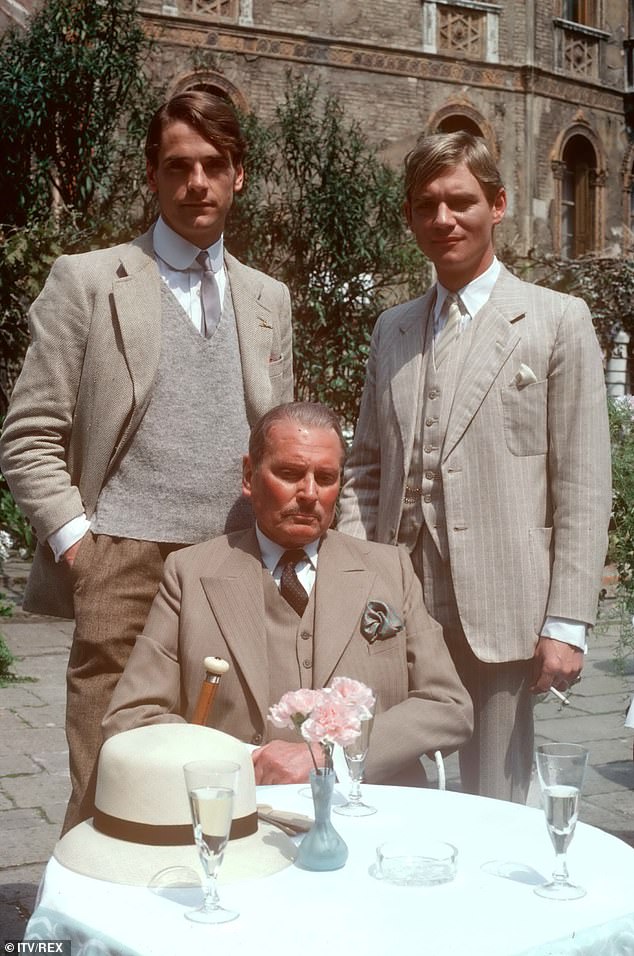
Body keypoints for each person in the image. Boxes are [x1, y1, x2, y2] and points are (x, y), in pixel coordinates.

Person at [0, 91, 293, 830]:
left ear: (239, 176)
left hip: (234, 563)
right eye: (178, 166)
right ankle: (84, 937)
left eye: (213, 166)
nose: (197, 182)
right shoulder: (90, 280)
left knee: (227, 778)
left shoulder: (267, 298)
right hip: (120, 567)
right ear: (154, 177)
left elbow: (278, 443)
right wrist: (81, 548)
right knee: (109, 786)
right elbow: (27, 433)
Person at [337, 131, 611, 802]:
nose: (443, 220)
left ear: (498, 204)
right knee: (386, 788)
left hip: (503, 613)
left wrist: (566, 623)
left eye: (460, 202)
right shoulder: (393, 328)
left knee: (497, 802)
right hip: (399, 610)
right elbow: (366, 468)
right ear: (410, 217)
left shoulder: (555, 321)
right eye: (426, 205)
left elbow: (581, 484)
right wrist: (357, 575)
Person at [103, 402, 473, 786]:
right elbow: (132, 717)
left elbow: (448, 707)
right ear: (249, 476)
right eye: (290, 473)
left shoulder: (389, 569)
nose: (309, 493)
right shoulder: (190, 575)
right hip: (240, 812)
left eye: (326, 477)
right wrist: (251, 761)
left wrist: (332, 759)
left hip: (370, 811)